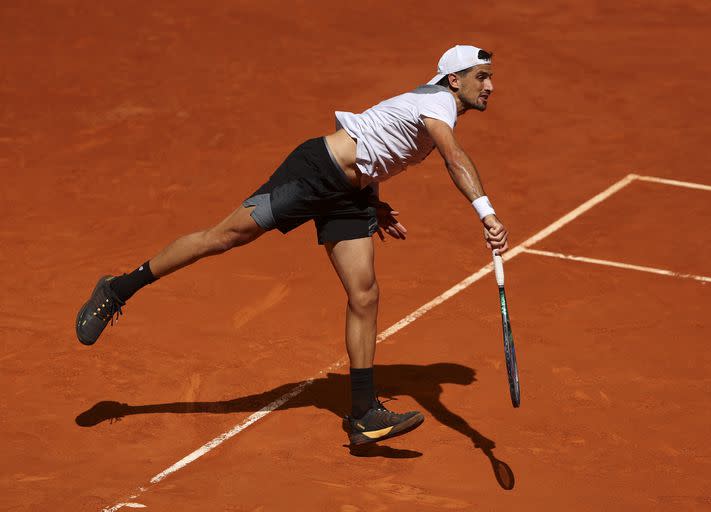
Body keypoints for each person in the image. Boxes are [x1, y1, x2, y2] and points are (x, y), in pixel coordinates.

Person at [75, 45, 509, 446]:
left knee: (365, 293)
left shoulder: (428, 107)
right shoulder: (437, 105)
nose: (489, 86)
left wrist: (372, 202)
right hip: (314, 173)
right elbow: (455, 158)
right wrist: (486, 214)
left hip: (351, 194)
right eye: (481, 76)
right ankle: (118, 288)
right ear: (455, 80)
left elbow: (374, 141)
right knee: (224, 238)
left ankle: (363, 414)